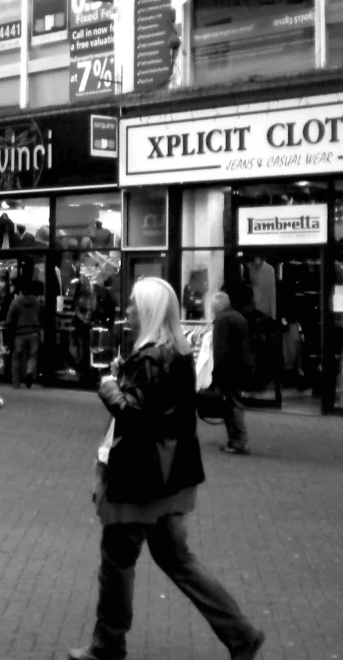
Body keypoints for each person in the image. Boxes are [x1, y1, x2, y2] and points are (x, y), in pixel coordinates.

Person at [69, 277, 264, 660]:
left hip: (139, 476)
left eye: (132, 305)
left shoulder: (149, 358)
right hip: (170, 474)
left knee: (117, 563)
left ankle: (108, 643)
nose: (126, 311)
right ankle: (240, 632)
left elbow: (133, 414)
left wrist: (109, 386)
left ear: (148, 312)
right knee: (177, 559)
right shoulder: (178, 352)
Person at [212, 291, 255, 455]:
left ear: (217, 306)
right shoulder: (238, 317)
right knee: (234, 403)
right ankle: (237, 441)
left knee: (232, 406)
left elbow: (221, 350)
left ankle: (239, 441)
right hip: (240, 367)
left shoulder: (222, 320)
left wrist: (216, 373)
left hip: (228, 370)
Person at [5, 280, 43, 388]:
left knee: (16, 356)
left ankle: (16, 382)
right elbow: (41, 316)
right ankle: (29, 372)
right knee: (33, 355)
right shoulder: (36, 302)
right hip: (34, 332)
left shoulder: (16, 302)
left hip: (20, 332)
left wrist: (7, 325)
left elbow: (9, 318)